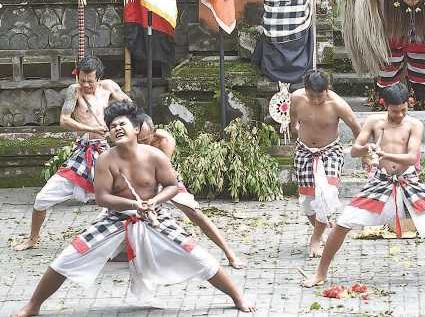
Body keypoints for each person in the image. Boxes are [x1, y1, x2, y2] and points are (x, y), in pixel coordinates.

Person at [13, 102, 255, 317]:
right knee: (68, 257)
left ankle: (237, 296)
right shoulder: (106, 160)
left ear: (136, 129)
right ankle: (33, 305)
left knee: (197, 255)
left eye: (122, 124)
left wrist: (155, 201)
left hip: (155, 215)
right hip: (116, 218)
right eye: (112, 126)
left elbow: (172, 186)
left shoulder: (155, 156)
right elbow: (102, 198)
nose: (117, 128)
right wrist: (132, 205)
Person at [301, 83, 425, 287]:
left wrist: (384, 154)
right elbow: (354, 151)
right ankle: (320, 273)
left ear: (408, 104)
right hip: (380, 182)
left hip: (409, 181)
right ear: (385, 105)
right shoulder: (374, 122)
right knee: (342, 225)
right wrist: (368, 148)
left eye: (404, 109)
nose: (400, 114)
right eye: (395, 111)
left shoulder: (414, 124)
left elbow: (411, 157)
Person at [16, 56, 130, 251]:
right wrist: (90, 129)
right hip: (83, 152)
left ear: (99, 78)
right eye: (82, 79)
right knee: (42, 199)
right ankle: (32, 239)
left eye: (90, 81)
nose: (85, 84)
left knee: (124, 197)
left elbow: (130, 107)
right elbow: (64, 120)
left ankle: (127, 243)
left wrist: (118, 124)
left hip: (105, 152)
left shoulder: (109, 87)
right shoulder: (74, 91)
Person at [136, 113, 244, 269]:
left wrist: (153, 198)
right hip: (138, 179)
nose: (141, 144)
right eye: (137, 140)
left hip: (164, 178)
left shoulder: (165, 140)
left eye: (145, 140)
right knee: (120, 211)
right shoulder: (127, 137)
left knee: (195, 213)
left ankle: (229, 254)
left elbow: (160, 172)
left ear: (153, 132)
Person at [290, 70, 361, 257]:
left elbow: (356, 128)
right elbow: (293, 120)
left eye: (319, 96)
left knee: (327, 195)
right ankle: (320, 229)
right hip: (304, 151)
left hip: (329, 152)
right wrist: (295, 128)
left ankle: (315, 238)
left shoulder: (337, 104)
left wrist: (365, 154)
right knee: (307, 202)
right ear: (305, 90)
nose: (315, 101)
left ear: (327, 90)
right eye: (311, 96)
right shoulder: (296, 98)